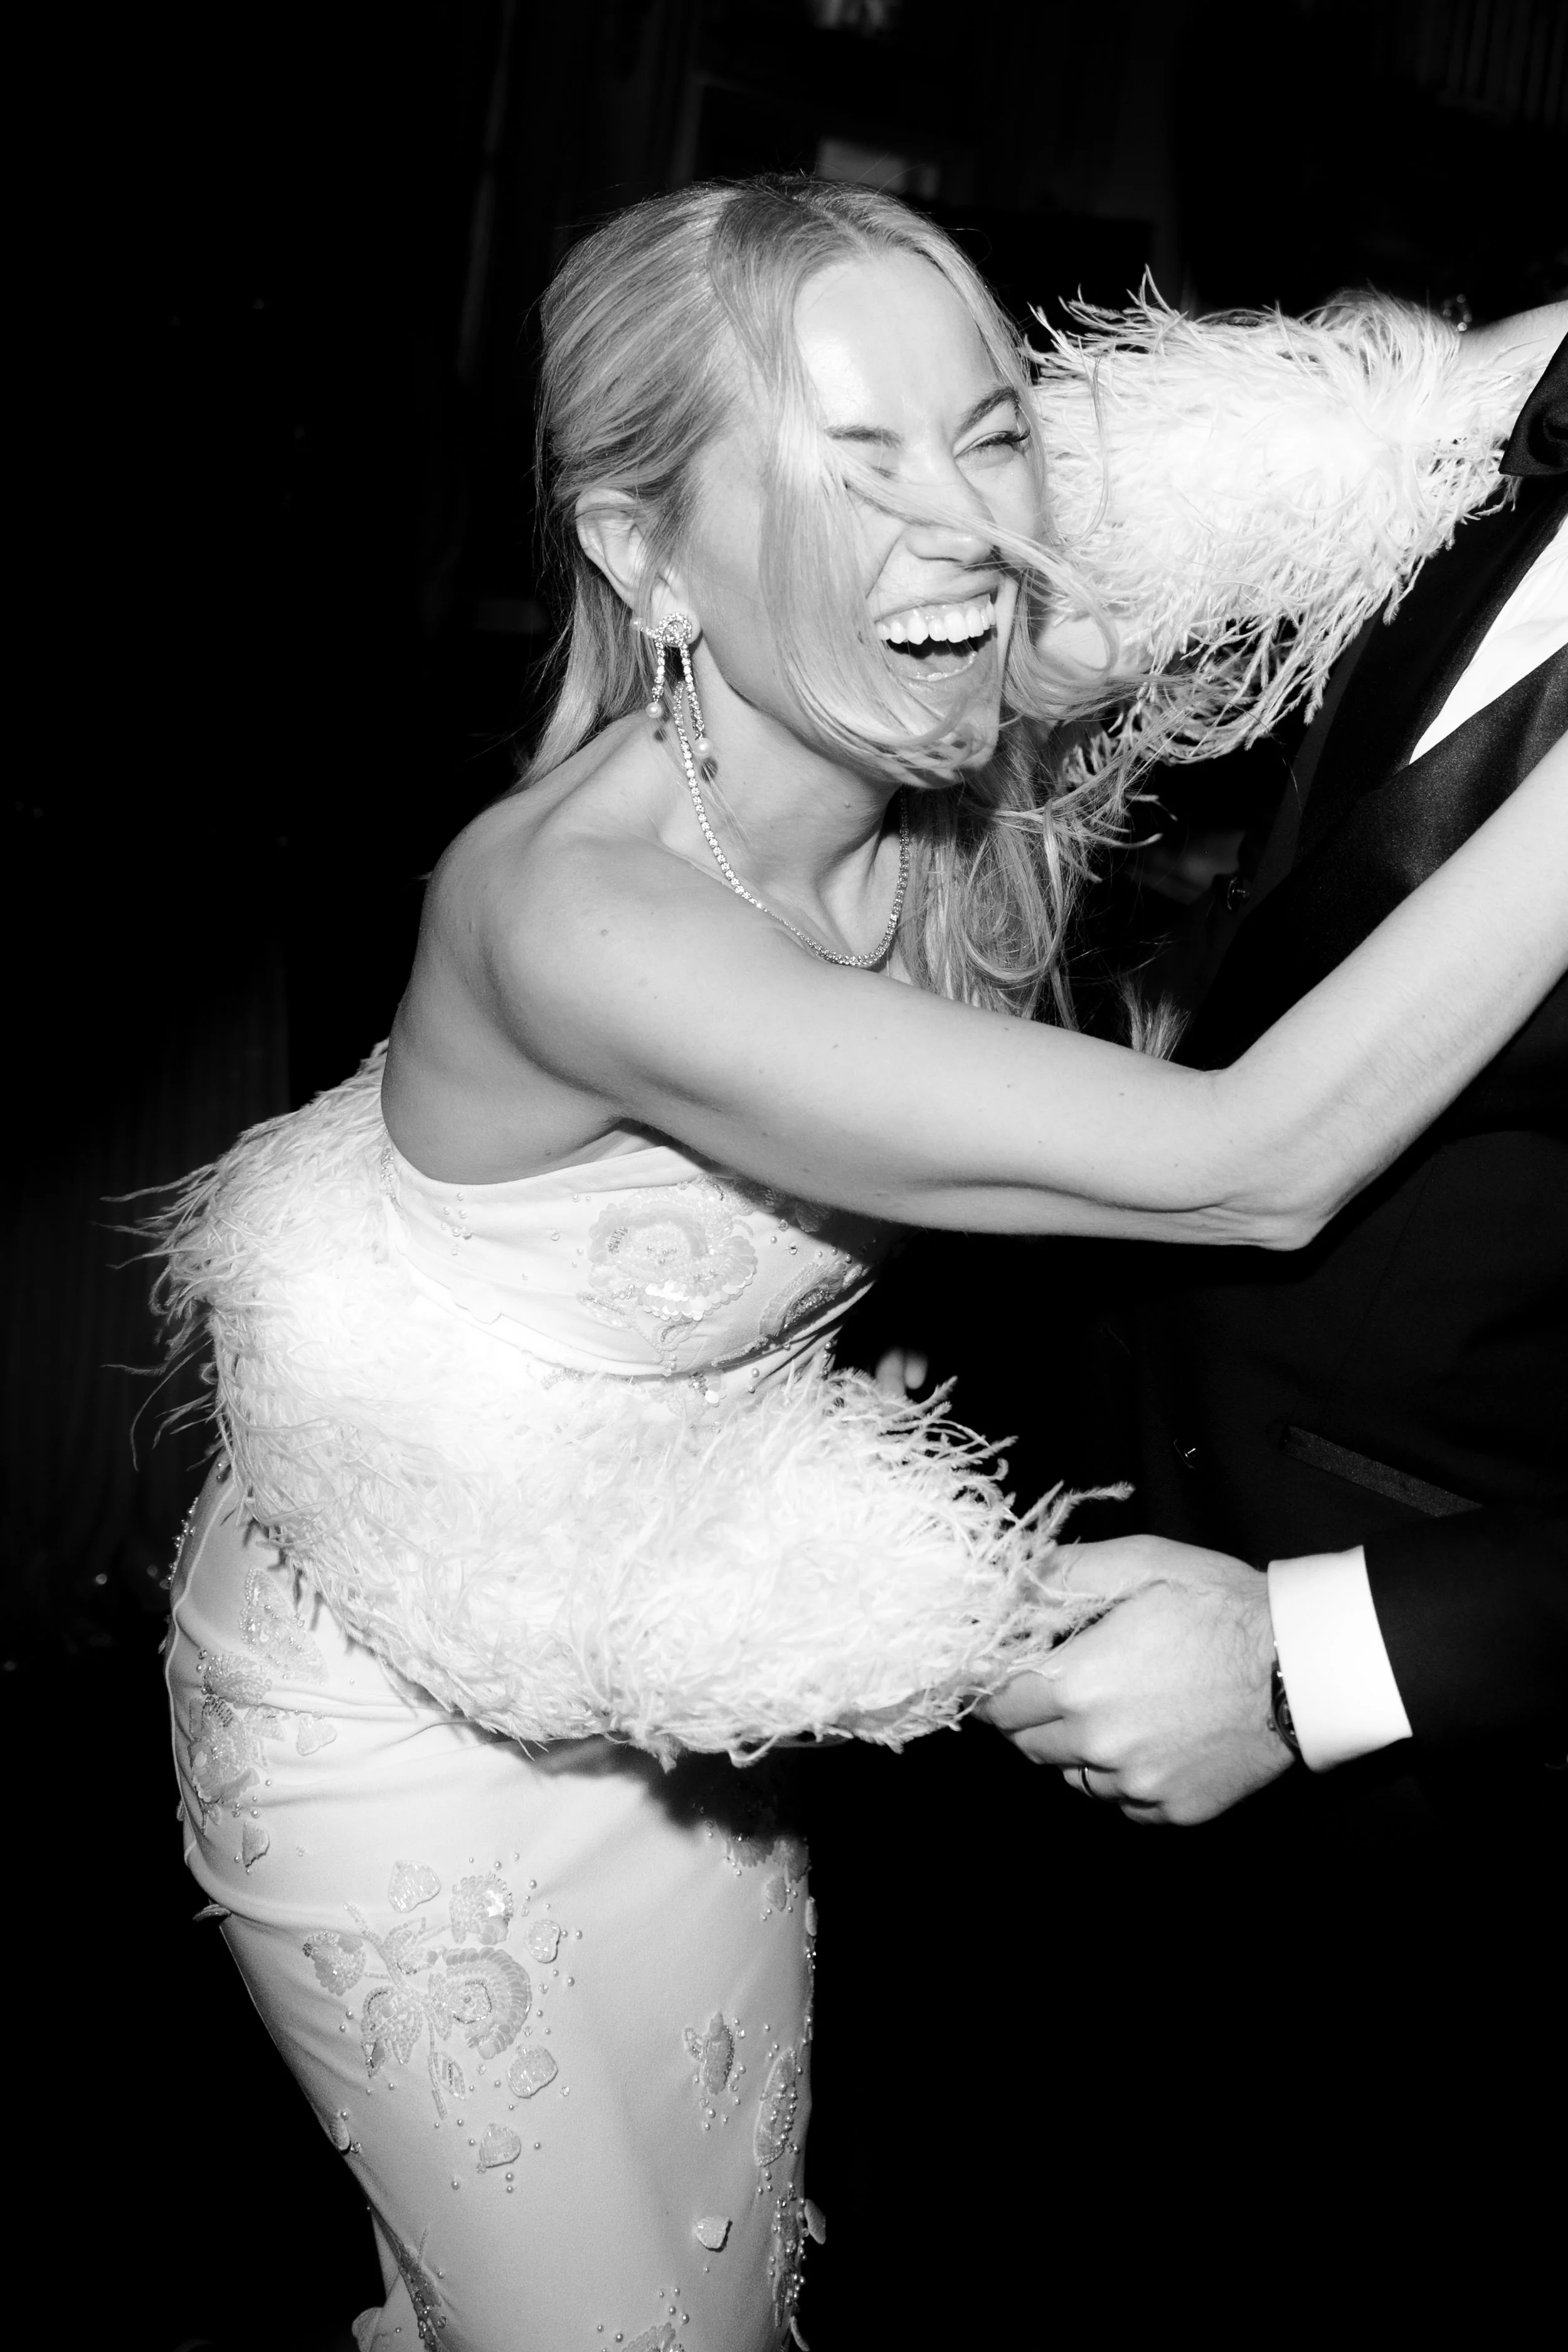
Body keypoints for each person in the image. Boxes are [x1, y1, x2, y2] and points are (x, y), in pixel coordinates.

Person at [154, 177, 1566, 2352]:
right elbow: (1255, 1168)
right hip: (396, 1706)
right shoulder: (582, 916)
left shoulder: (931, 686)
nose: (967, 532)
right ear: (645, 556)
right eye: (852, 464)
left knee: (719, 2267)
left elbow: (1396, 436)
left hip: (686, 1653)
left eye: (991, 431)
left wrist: (1461, 394)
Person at [985, 321, 1567, 1826]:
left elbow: (1265, 1161)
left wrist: (1302, 1665)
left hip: (1414, 1723)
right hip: (1054, 1520)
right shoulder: (1455, 413)